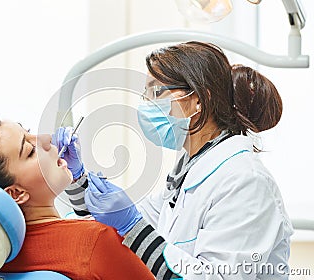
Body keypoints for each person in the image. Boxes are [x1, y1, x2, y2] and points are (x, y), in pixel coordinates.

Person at [56, 41, 294, 279]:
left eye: (156, 92)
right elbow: (111, 227)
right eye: (145, 94)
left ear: (199, 99)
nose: (146, 104)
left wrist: (132, 224)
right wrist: (77, 179)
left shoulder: (244, 181)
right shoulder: (189, 173)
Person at [0, 113, 155, 280]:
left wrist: (80, 180)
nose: (47, 140)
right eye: (30, 151)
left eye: (29, 133)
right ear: (16, 193)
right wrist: (133, 226)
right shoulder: (94, 243)